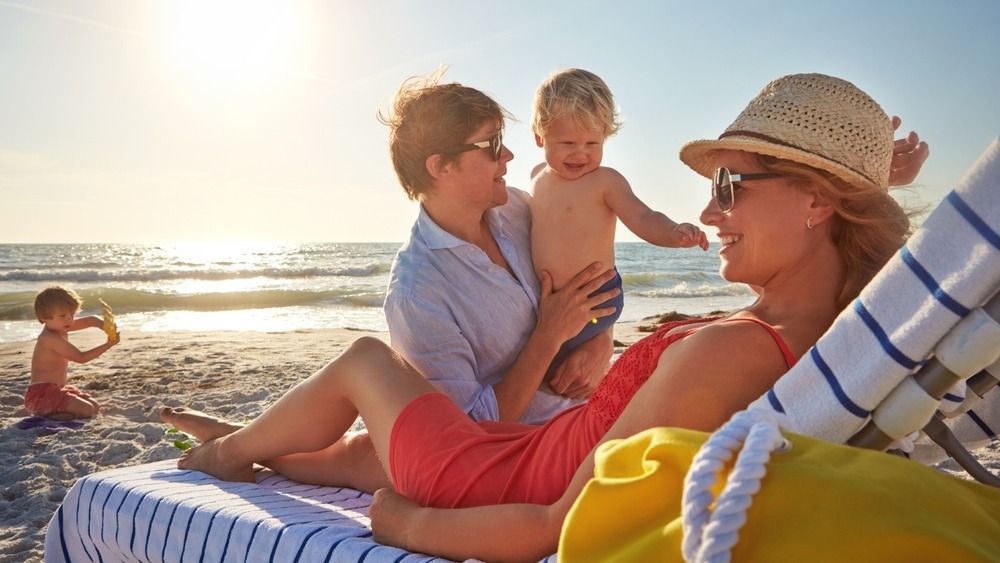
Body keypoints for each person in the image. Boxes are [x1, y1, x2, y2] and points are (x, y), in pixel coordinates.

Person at [162, 73, 928, 562]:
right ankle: (241, 444)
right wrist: (867, 188)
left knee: (366, 363)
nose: (707, 207)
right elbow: (876, 278)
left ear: (819, 202)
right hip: (516, 439)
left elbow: (552, 525)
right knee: (359, 451)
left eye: (731, 185)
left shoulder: (731, 351)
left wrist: (404, 525)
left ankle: (229, 454)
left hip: (496, 470)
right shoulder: (819, 324)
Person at [382, 70, 620, 424]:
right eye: (492, 145)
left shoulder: (523, 209)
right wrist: (547, 339)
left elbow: (593, 279)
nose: (507, 155)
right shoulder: (417, 295)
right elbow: (468, 429)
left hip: (598, 418)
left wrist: (600, 341)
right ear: (441, 166)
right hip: (527, 453)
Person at [529, 69, 708, 369]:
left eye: (592, 144)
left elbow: (643, 216)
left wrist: (674, 231)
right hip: (550, 301)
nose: (580, 154)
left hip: (596, 297)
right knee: (553, 371)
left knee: (578, 372)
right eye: (567, 143)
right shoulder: (536, 178)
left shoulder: (605, 182)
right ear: (540, 137)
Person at [26, 286, 119, 419]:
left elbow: (90, 320)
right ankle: (47, 416)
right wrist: (108, 345)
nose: (69, 319)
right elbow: (81, 358)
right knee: (86, 410)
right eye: (63, 315)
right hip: (41, 395)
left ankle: (62, 414)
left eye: (72, 314)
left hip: (56, 390)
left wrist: (105, 326)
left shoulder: (60, 326)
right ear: (43, 317)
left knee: (94, 407)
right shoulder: (49, 338)